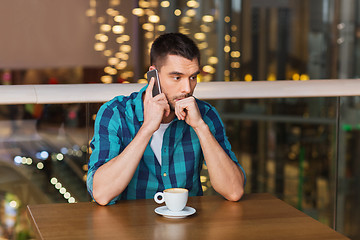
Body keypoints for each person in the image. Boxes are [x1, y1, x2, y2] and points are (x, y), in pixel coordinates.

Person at [87, 33, 246, 205]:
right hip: (129, 227)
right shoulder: (115, 113)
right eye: (177, 77)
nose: (187, 88)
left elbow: (234, 191)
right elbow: (102, 194)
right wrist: (147, 128)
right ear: (153, 75)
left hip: (189, 227)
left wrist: (200, 127)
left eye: (193, 77)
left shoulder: (205, 115)